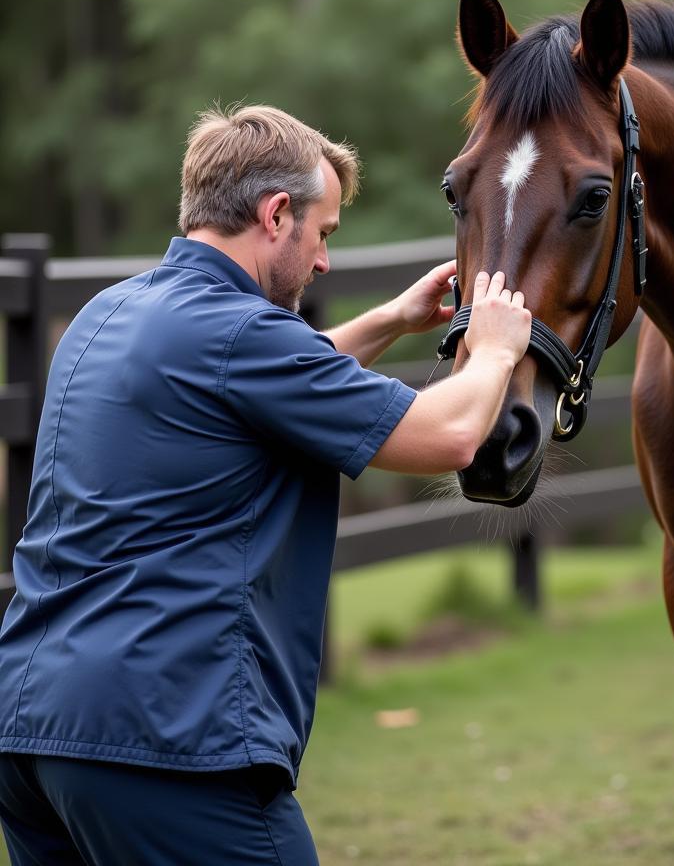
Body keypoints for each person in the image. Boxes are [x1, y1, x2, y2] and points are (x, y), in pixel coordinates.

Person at [0, 106, 531, 864]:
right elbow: (448, 434)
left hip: (30, 736)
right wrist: (495, 352)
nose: (322, 262)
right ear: (276, 214)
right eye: (324, 233)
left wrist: (388, 320)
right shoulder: (240, 334)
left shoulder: (107, 314)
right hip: (165, 740)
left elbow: (266, 380)